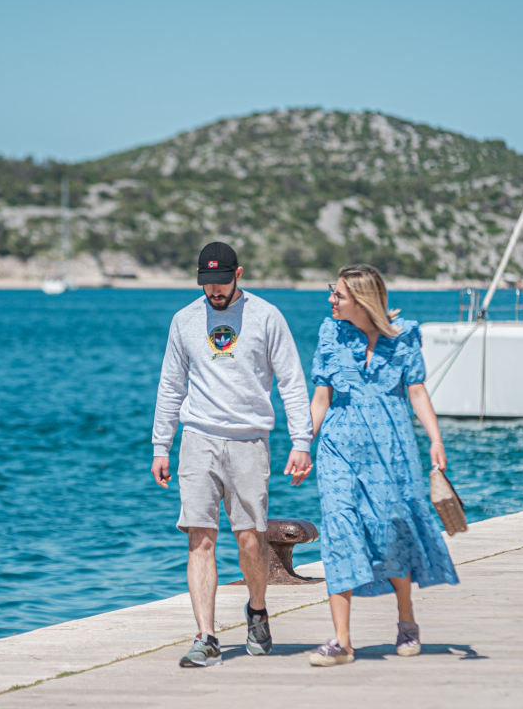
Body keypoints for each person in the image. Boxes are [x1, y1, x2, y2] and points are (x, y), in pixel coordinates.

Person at [150, 241, 314, 668]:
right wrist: (161, 445)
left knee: (250, 540)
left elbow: (292, 381)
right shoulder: (184, 320)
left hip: (249, 441)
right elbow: (171, 385)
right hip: (198, 438)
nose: (214, 291)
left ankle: (257, 611)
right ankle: (205, 636)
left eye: (221, 282)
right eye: (207, 283)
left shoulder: (266, 316)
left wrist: (301, 442)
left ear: (238, 275)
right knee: (200, 537)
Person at [304, 264, 459, 667]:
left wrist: (436, 440)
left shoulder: (403, 336)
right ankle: (342, 642)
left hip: (392, 449)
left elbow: (417, 391)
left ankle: (406, 620)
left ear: (361, 300)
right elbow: (321, 397)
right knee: (339, 529)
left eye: (337, 294)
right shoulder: (330, 333)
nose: (330, 299)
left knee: (392, 528)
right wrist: (302, 444)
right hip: (338, 447)